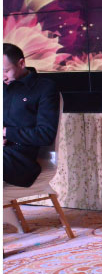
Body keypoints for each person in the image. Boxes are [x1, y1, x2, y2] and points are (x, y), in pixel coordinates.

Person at [3, 43, 60, 188]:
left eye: (5, 71)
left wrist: (6, 132)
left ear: (21, 63)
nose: (2, 77)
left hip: (21, 159)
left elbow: (45, 135)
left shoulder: (44, 88)